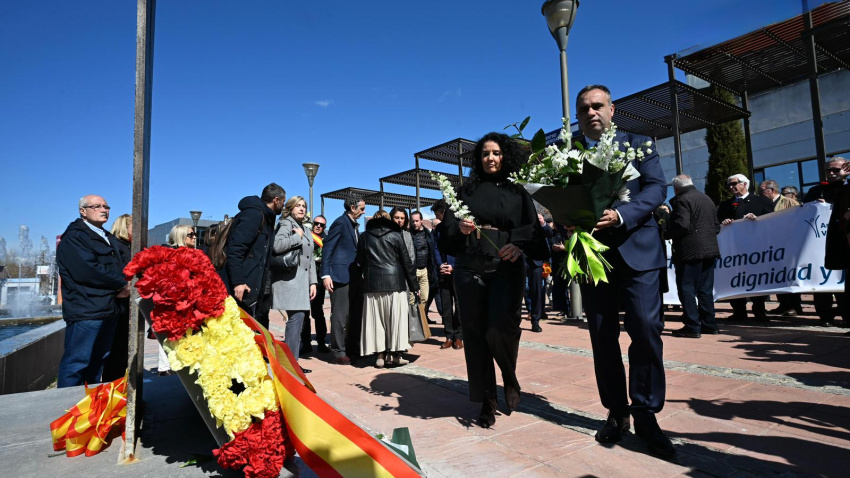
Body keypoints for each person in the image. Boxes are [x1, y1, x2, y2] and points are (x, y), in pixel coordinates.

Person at [572, 85, 674, 457]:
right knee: (602, 337)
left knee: (646, 331)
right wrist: (568, 220)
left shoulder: (640, 143)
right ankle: (616, 412)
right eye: (584, 109)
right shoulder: (568, 152)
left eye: (597, 106)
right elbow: (561, 195)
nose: (591, 113)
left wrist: (621, 214)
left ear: (612, 109)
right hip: (594, 257)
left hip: (639, 252)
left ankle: (646, 412)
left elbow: (656, 188)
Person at [441, 132, 545, 429]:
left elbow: (533, 230)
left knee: (501, 328)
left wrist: (518, 244)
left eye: (496, 153)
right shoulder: (465, 190)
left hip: (506, 264)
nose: (490, 158)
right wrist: (459, 227)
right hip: (469, 265)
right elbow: (445, 235)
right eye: (485, 153)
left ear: (505, 156)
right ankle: (487, 400)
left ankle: (509, 379)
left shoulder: (518, 190)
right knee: (474, 334)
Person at [56, 195, 130, 387]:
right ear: (83, 211)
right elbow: (88, 270)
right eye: (97, 206)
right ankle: (66, 409)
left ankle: (89, 407)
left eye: (106, 206)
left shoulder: (106, 236)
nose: (103, 210)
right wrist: (122, 284)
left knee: (98, 361)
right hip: (86, 312)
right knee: (76, 363)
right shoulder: (75, 237)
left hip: (108, 309)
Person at [357, 210, 419, 368]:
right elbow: (407, 263)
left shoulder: (364, 236)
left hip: (372, 285)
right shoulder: (396, 235)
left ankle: (379, 356)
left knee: (377, 321)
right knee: (396, 321)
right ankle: (396, 356)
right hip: (395, 283)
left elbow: (360, 263)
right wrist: (414, 286)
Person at [665, 175, 721, 338]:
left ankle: (692, 325)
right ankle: (709, 324)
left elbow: (682, 224)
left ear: (676, 188)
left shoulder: (682, 200)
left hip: (690, 251)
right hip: (709, 249)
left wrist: (666, 233)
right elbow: (716, 227)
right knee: (705, 289)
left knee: (687, 288)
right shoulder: (706, 199)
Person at [224, 183, 285, 329]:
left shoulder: (267, 218)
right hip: (242, 288)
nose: (283, 206)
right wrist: (238, 281)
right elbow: (236, 249)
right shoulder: (254, 215)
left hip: (254, 289)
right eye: (283, 201)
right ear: (276, 200)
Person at [717, 173, 773, 321]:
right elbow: (717, 224)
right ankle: (738, 310)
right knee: (734, 278)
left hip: (755, 249)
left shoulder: (760, 201)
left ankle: (759, 310)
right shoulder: (724, 206)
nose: (731, 187)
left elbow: (772, 221)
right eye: (729, 184)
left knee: (756, 278)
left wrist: (757, 220)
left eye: (734, 183)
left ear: (744, 184)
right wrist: (724, 223)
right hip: (733, 250)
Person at [271, 196, 317, 370]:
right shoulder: (286, 224)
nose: (302, 209)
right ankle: (290, 364)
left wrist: (313, 282)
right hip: (289, 281)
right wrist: (296, 237)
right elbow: (277, 246)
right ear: (290, 208)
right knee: (297, 318)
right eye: (298, 205)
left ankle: (291, 362)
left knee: (299, 318)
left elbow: (310, 258)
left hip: (301, 282)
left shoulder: (305, 229)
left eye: (304, 206)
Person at [322, 196, 366, 365]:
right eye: (361, 209)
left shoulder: (354, 225)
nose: (363, 212)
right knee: (340, 316)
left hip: (354, 276)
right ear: (352, 207)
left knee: (355, 315)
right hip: (340, 277)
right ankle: (338, 351)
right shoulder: (340, 222)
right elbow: (328, 248)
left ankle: (352, 347)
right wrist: (326, 275)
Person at [803, 157, 848, 326]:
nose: (831, 173)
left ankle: (846, 314)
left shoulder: (847, 188)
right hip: (818, 243)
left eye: (836, 170)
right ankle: (825, 316)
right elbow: (802, 212)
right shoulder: (816, 190)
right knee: (820, 280)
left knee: (843, 281)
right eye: (828, 170)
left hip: (842, 241)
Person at [760, 180, 803, 317]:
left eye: (762, 191)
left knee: (790, 276)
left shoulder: (790, 202)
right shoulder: (763, 204)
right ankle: (783, 304)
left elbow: (799, 221)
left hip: (788, 244)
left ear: (771, 190)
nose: (760, 194)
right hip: (772, 245)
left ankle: (794, 306)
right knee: (777, 276)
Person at [101, 214, 132, 382]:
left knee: (121, 350)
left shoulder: (127, 246)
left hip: (125, 305)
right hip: (119, 304)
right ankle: (112, 386)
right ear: (124, 227)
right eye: (134, 226)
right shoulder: (118, 247)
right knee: (116, 350)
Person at [430, 199, 463, 349]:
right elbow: (435, 248)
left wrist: (454, 266)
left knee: (460, 304)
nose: (438, 218)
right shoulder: (438, 230)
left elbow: (464, 250)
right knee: (446, 304)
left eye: (438, 214)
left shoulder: (459, 227)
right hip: (443, 270)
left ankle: (459, 336)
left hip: (457, 270)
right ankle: (449, 335)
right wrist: (440, 264)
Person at [302, 215, 330, 354]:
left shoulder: (327, 239)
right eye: (316, 223)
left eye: (322, 225)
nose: (318, 226)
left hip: (318, 279)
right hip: (304, 279)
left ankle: (321, 342)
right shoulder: (306, 236)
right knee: (303, 313)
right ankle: (305, 344)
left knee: (317, 312)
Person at [409, 211, 437, 308]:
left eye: (417, 221)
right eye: (412, 221)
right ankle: (412, 321)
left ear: (421, 221)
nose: (414, 223)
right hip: (413, 270)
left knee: (425, 298)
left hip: (425, 270)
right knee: (411, 299)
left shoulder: (427, 233)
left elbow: (432, 251)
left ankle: (422, 320)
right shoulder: (408, 234)